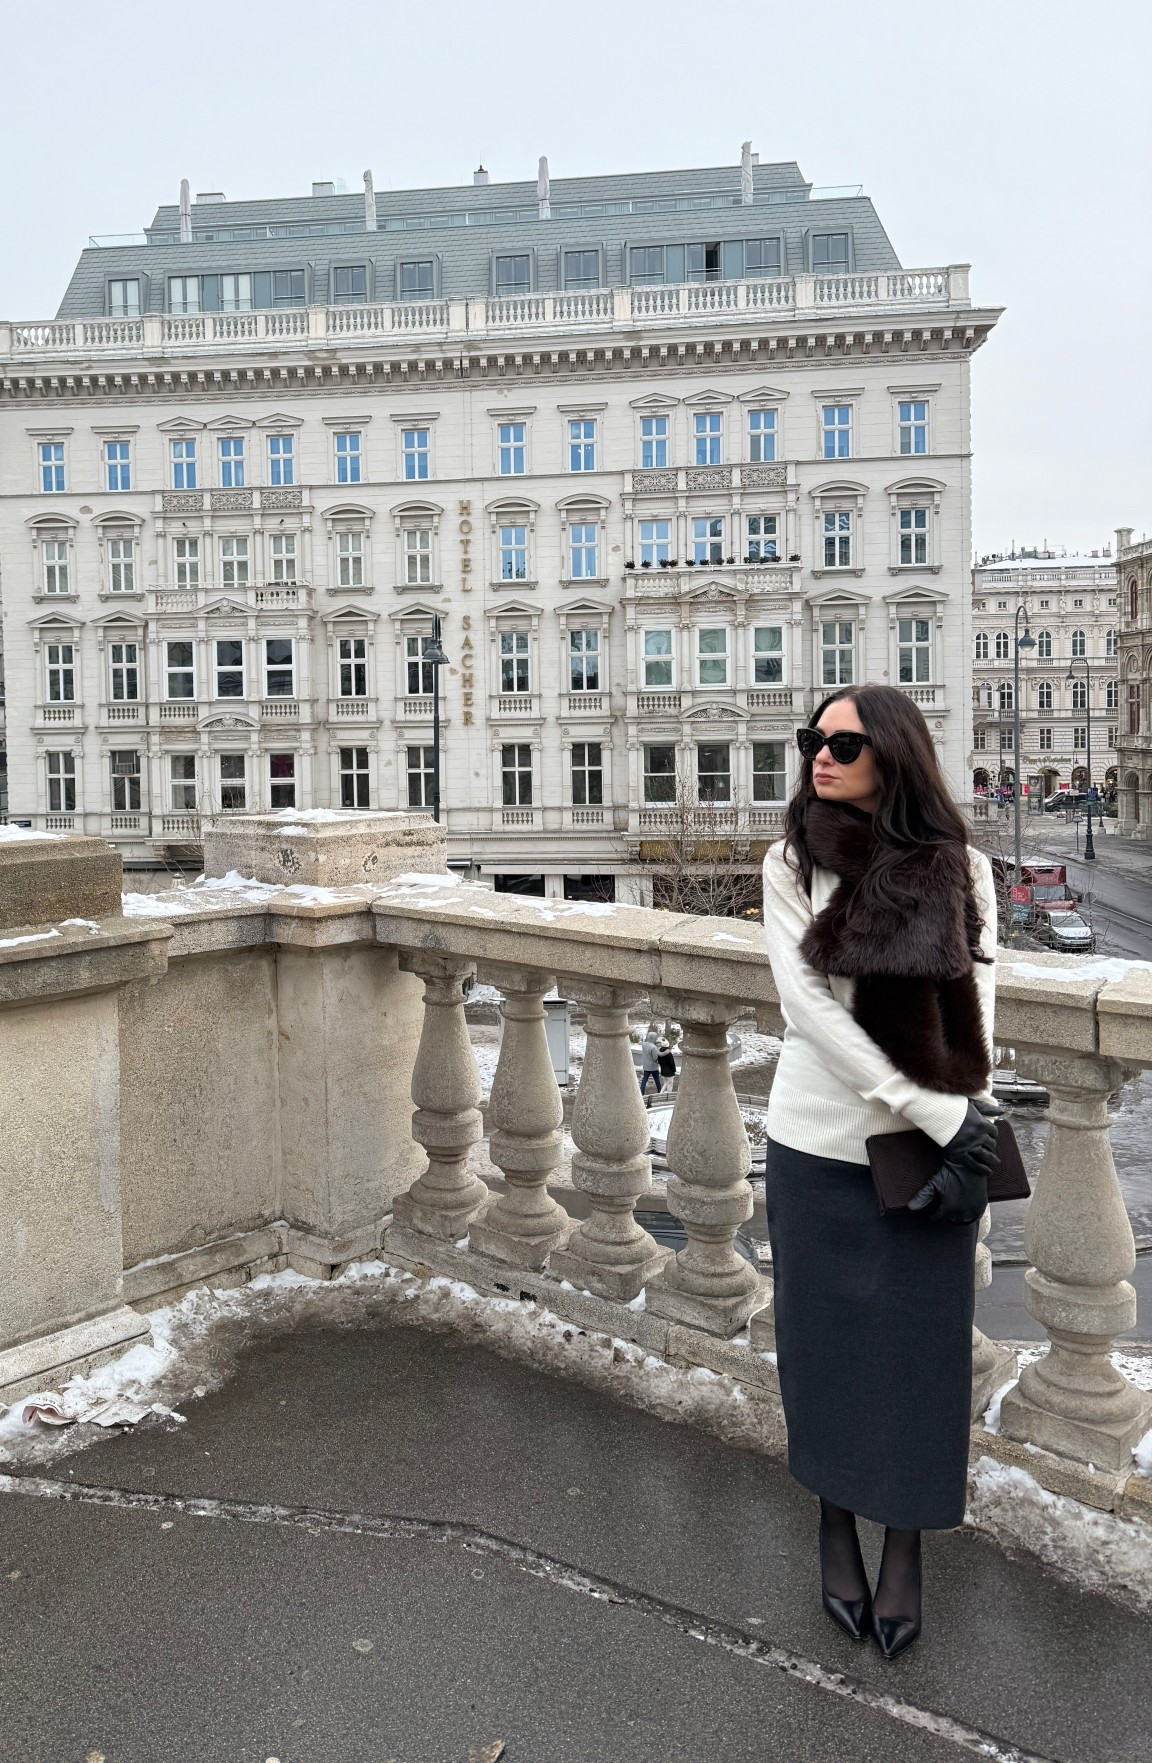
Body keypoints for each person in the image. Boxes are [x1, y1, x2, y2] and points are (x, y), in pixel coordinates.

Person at [761, 684, 998, 1661]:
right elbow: (808, 1007)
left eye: (844, 741)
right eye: (813, 738)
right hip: (818, 1144)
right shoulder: (793, 862)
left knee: (918, 1365)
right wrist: (945, 1114)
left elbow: (977, 1006)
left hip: (920, 1158)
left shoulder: (964, 868)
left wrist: (958, 1121)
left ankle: (904, 1543)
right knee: (824, 1357)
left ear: (893, 753)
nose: (821, 753)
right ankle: (833, 1524)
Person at [639, 1029, 663, 1094]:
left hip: (646, 1065)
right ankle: (659, 1092)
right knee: (657, 1081)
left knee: (644, 1080)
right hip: (653, 1067)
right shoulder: (653, 1047)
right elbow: (655, 1058)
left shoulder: (644, 1044)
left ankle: (641, 1092)